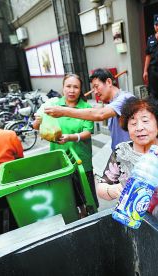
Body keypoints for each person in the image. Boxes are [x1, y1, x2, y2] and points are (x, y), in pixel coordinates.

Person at [96, 97, 158, 233]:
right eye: (133, 123)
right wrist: (112, 190)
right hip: (130, 221)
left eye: (145, 121)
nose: (139, 128)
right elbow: (102, 186)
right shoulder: (122, 153)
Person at [33, 74, 99, 216]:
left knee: (87, 196)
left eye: (76, 87)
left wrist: (70, 137)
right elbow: (37, 126)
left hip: (82, 160)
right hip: (60, 160)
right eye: (68, 86)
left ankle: (92, 217)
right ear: (63, 88)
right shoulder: (53, 106)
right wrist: (38, 121)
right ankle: (78, 217)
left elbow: (88, 132)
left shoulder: (86, 107)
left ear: (80, 90)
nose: (72, 90)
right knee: (69, 198)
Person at [44, 68, 134, 150]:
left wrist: (63, 111)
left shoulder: (125, 98)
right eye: (68, 86)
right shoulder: (111, 103)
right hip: (120, 154)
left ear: (109, 82)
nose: (95, 92)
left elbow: (100, 114)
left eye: (96, 86)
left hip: (132, 155)